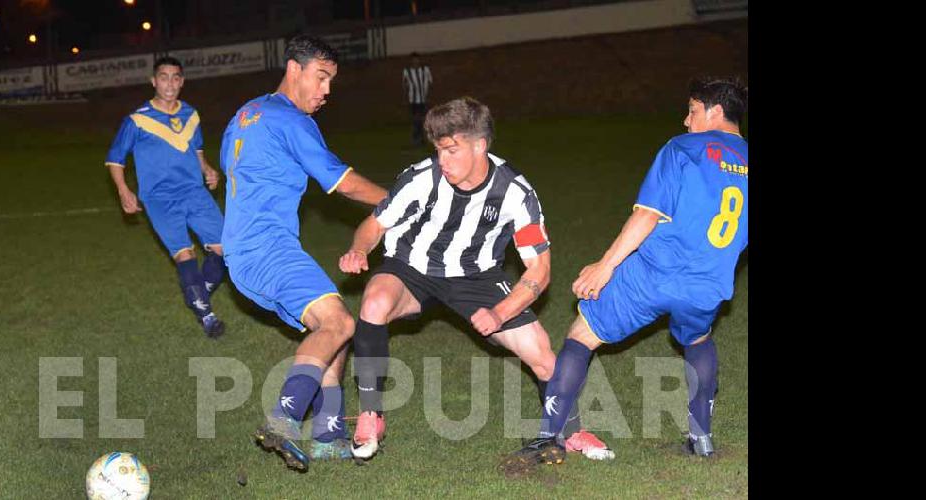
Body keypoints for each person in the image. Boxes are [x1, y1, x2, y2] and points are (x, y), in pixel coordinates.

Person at [339, 97, 613, 463]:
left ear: (480, 145)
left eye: (451, 151)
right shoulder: (422, 178)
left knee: (542, 354)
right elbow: (374, 224)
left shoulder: (515, 193)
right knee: (373, 302)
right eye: (438, 150)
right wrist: (360, 249)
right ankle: (371, 415)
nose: (442, 161)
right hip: (413, 267)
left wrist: (499, 313)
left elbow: (539, 271)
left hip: (475, 276)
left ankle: (571, 429)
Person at [503, 76, 748, 471]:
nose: (686, 121)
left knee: (581, 335)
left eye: (692, 110)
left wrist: (605, 266)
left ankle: (550, 437)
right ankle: (701, 438)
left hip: (653, 274)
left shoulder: (682, 148)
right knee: (698, 338)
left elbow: (648, 215)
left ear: (715, 111)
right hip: (709, 284)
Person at [219, 35, 388, 471]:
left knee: (330, 323)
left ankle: (329, 433)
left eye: (330, 80)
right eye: (321, 77)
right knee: (339, 321)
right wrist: (400, 202)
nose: (326, 90)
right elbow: (344, 183)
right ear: (294, 69)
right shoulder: (291, 120)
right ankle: (285, 418)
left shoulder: (244, 114)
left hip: (242, 255)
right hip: (268, 249)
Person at [105, 57, 228, 339]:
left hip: (194, 192)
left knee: (225, 250)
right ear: (153, 81)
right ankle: (207, 317)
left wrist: (207, 168)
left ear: (182, 82)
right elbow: (115, 159)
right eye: (164, 77)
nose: (170, 83)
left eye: (175, 77)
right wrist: (124, 190)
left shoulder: (192, 115)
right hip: (160, 199)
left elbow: (196, 149)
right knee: (185, 253)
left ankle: (197, 291)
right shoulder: (138, 120)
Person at [403, 52, 433, 146]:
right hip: (413, 100)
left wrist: (429, 96)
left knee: (423, 119)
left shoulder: (425, 70)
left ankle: (421, 138)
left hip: (423, 99)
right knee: (416, 119)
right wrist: (406, 98)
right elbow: (405, 85)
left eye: (417, 60)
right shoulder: (407, 71)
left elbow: (430, 82)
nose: (415, 62)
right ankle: (416, 139)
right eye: (413, 60)